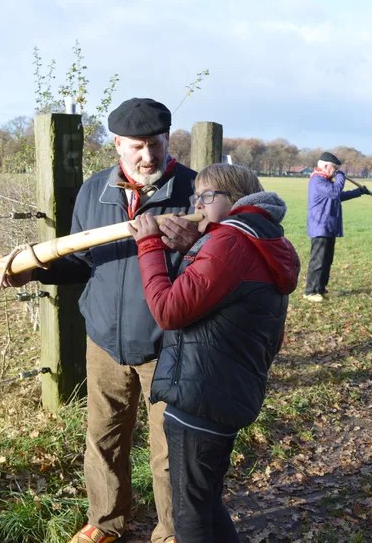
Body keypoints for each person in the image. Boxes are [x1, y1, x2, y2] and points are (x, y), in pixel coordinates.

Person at [0, 98, 200, 543]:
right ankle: (106, 522)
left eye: (157, 144)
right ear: (116, 145)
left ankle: (172, 532)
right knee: (103, 437)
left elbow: (217, 268)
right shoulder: (95, 191)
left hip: (171, 342)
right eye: (137, 147)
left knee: (170, 450)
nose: (148, 156)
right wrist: (35, 271)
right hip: (105, 340)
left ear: (169, 140)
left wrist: (191, 246)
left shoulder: (195, 191)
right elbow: (82, 262)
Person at [128, 164, 299, 542]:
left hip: (201, 393)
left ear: (235, 200)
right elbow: (225, 290)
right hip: (226, 386)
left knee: (190, 514)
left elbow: (169, 311)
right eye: (196, 197)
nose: (197, 205)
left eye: (207, 197)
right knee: (204, 500)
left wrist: (149, 246)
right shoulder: (262, 238)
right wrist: (193, 248)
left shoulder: (231, 242)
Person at [304, 151, 368, 302]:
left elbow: (339, 196)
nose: (336, 171)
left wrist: (359, 192)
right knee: (318, 261)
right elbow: (334, 192)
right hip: (320, 226)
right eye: (334, 167)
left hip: (329, 226)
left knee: (327, 260)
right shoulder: (317, 180)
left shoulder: (325, 180)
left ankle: (321, 289)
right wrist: (341, 177)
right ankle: (310, 291)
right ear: (325, 165)